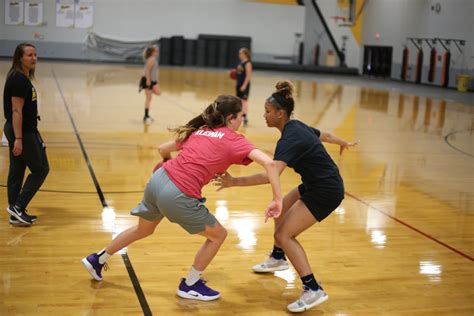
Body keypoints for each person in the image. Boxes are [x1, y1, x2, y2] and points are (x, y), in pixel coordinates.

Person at [82, 95, 282, 301]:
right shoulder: (234, 140)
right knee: (218, 235)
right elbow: (270, 164)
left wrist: (166, 163)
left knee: (143, 229)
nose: (242, 121)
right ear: (231, 118)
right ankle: (190, 284)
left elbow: (162, 149)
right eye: (242, 116)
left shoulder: (201, 129)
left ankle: (98, 258)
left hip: (157, 181)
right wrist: (277, 198)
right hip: (178, 194)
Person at [216, 81, 359, 312]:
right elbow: (326, 135)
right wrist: (342, 142)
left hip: (326, 191)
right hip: (316, 184)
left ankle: (313, 288)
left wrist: (234, 182)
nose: (264, 115)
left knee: (285, 234)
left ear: (280, 114)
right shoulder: (296, 126)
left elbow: (270, 175)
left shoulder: (289, 139)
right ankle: (278, 257)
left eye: (268, 112)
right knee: (279, 208)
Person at [3, 42, 49, 226]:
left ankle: (15, 212)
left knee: (17, 169)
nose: (34, 58)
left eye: (35, 55)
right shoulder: (19, 80)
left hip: (20, 130)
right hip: (23, 132)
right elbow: (16, 111)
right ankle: (18, 207)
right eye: (29, 55)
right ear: (19, 58)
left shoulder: (20, 77)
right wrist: (19, 139)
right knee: (41, 169)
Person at [139, 45, 161, 124]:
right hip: (148, 81)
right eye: (156, 51)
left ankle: (146, 116)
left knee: (157, 94)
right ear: (153, 52)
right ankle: (146, 116)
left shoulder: (153, 59)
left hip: (152, 81)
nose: (158, 52)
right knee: (148, 98)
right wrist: (148, 80)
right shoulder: (151, 59)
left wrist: (155, 82)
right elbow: (147, 70)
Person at [235, 48, 252, 125]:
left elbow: (248, 76)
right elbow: (239, 73)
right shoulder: (241, 62)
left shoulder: (248, 63)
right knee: (239, 101)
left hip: (244, 85)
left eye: (240, 53)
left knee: (244, 101)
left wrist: (244, 85)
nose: (239, 55)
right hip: (239, 84)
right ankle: (239, 116)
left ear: (245, 54)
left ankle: (245, 117)